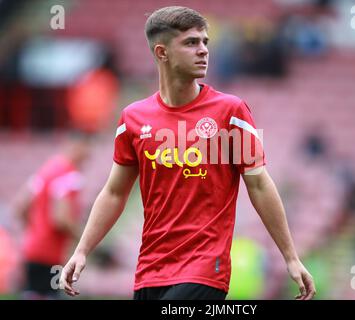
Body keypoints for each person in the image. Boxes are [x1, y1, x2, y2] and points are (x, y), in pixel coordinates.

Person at [60, 6, 316, 300]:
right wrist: (82, 250)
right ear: (162, 52)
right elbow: (115, 192)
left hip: (205, 268)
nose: (203, 50)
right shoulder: (133, 118)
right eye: (191, 43)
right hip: (150, 271)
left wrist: (290, 256)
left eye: (205, 42)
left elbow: (259, 183)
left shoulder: (232, 112)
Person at [13, 131, 91, 299]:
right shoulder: (69, 174)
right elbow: (61, 218)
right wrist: (85, 241)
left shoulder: (48, 169)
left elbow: (20, 207)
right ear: (78, 147)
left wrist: (35, 231)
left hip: (31, 250)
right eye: (86, 150)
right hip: (49, 255)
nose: (88, 156)